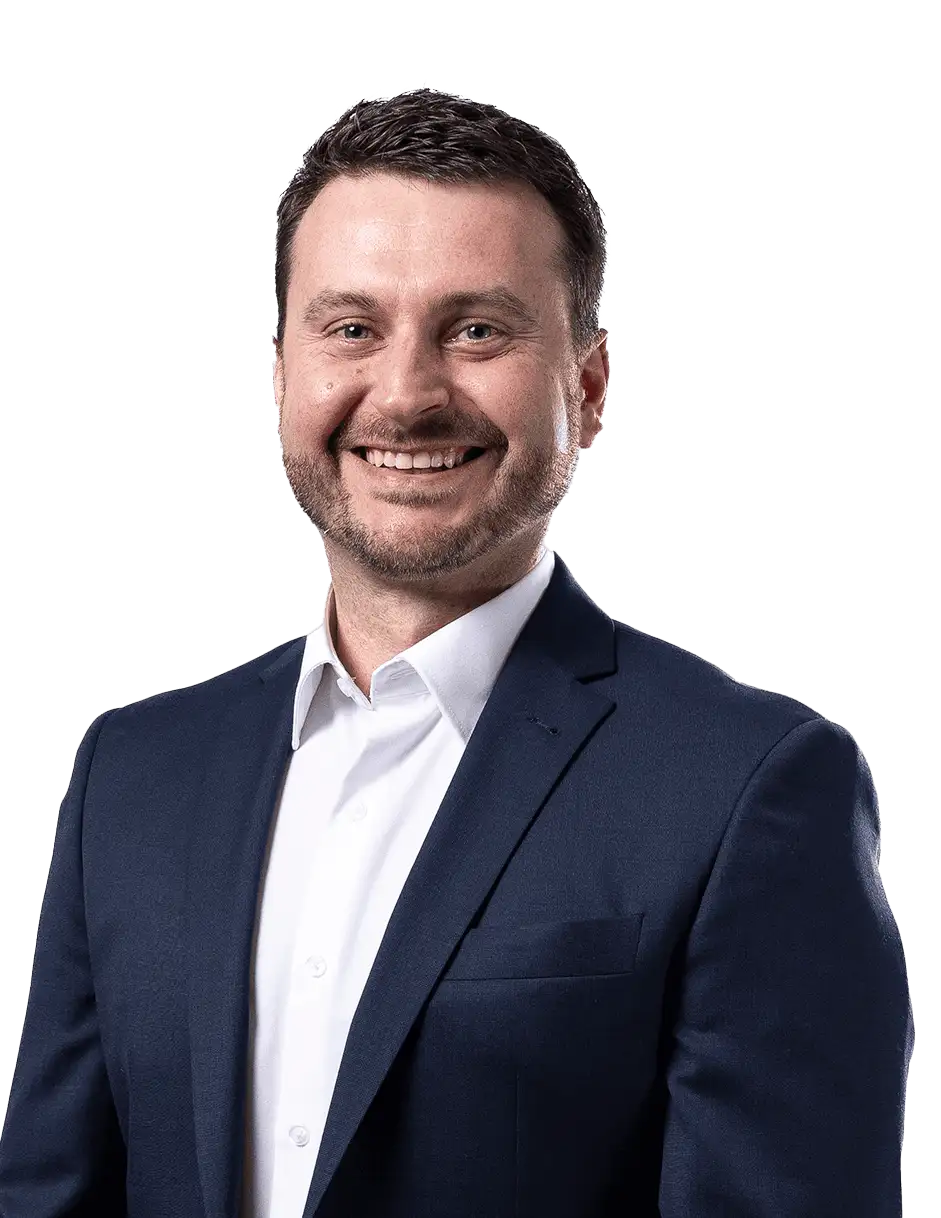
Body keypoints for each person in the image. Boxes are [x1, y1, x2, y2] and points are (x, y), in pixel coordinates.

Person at [0, 88, 913, 1218]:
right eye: (351, 329)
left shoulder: (748, 786)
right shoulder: (133, 771)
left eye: (476, 330)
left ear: (587, 386)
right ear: (281, 373)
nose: (406, 394)